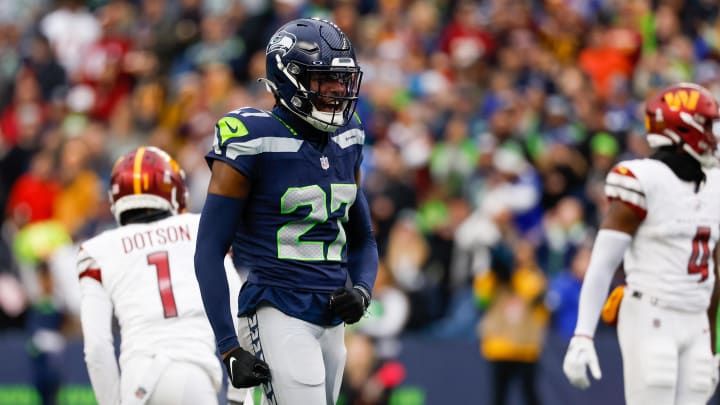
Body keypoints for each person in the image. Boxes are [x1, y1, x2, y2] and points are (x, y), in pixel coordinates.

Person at [194, 17, 379, 405]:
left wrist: (361, 290)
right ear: (290, 79)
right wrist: (228, 348)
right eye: (324, 80)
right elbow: (209, 250)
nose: (337, 91)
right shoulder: (253, 138)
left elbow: (363, 238)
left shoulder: (348, 137)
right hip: (275, 306)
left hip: (331, 316)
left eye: (342, 80)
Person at [562, 82, 720, 405]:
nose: (714, 135)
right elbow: (603, 263)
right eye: (707, 125)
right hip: (651, 314)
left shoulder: (715, 184)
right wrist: (582, 334)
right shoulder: (643, 179)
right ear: (682, 130)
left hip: (697, 321)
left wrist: (714, 344)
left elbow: (715, 272)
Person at [76, 146, 246, 405]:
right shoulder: (200, 228)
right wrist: (239, 394)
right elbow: (237, 311)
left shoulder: (98, 249)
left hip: (136, 380)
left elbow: (97, 348)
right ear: (175, 191)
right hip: (191, 373)